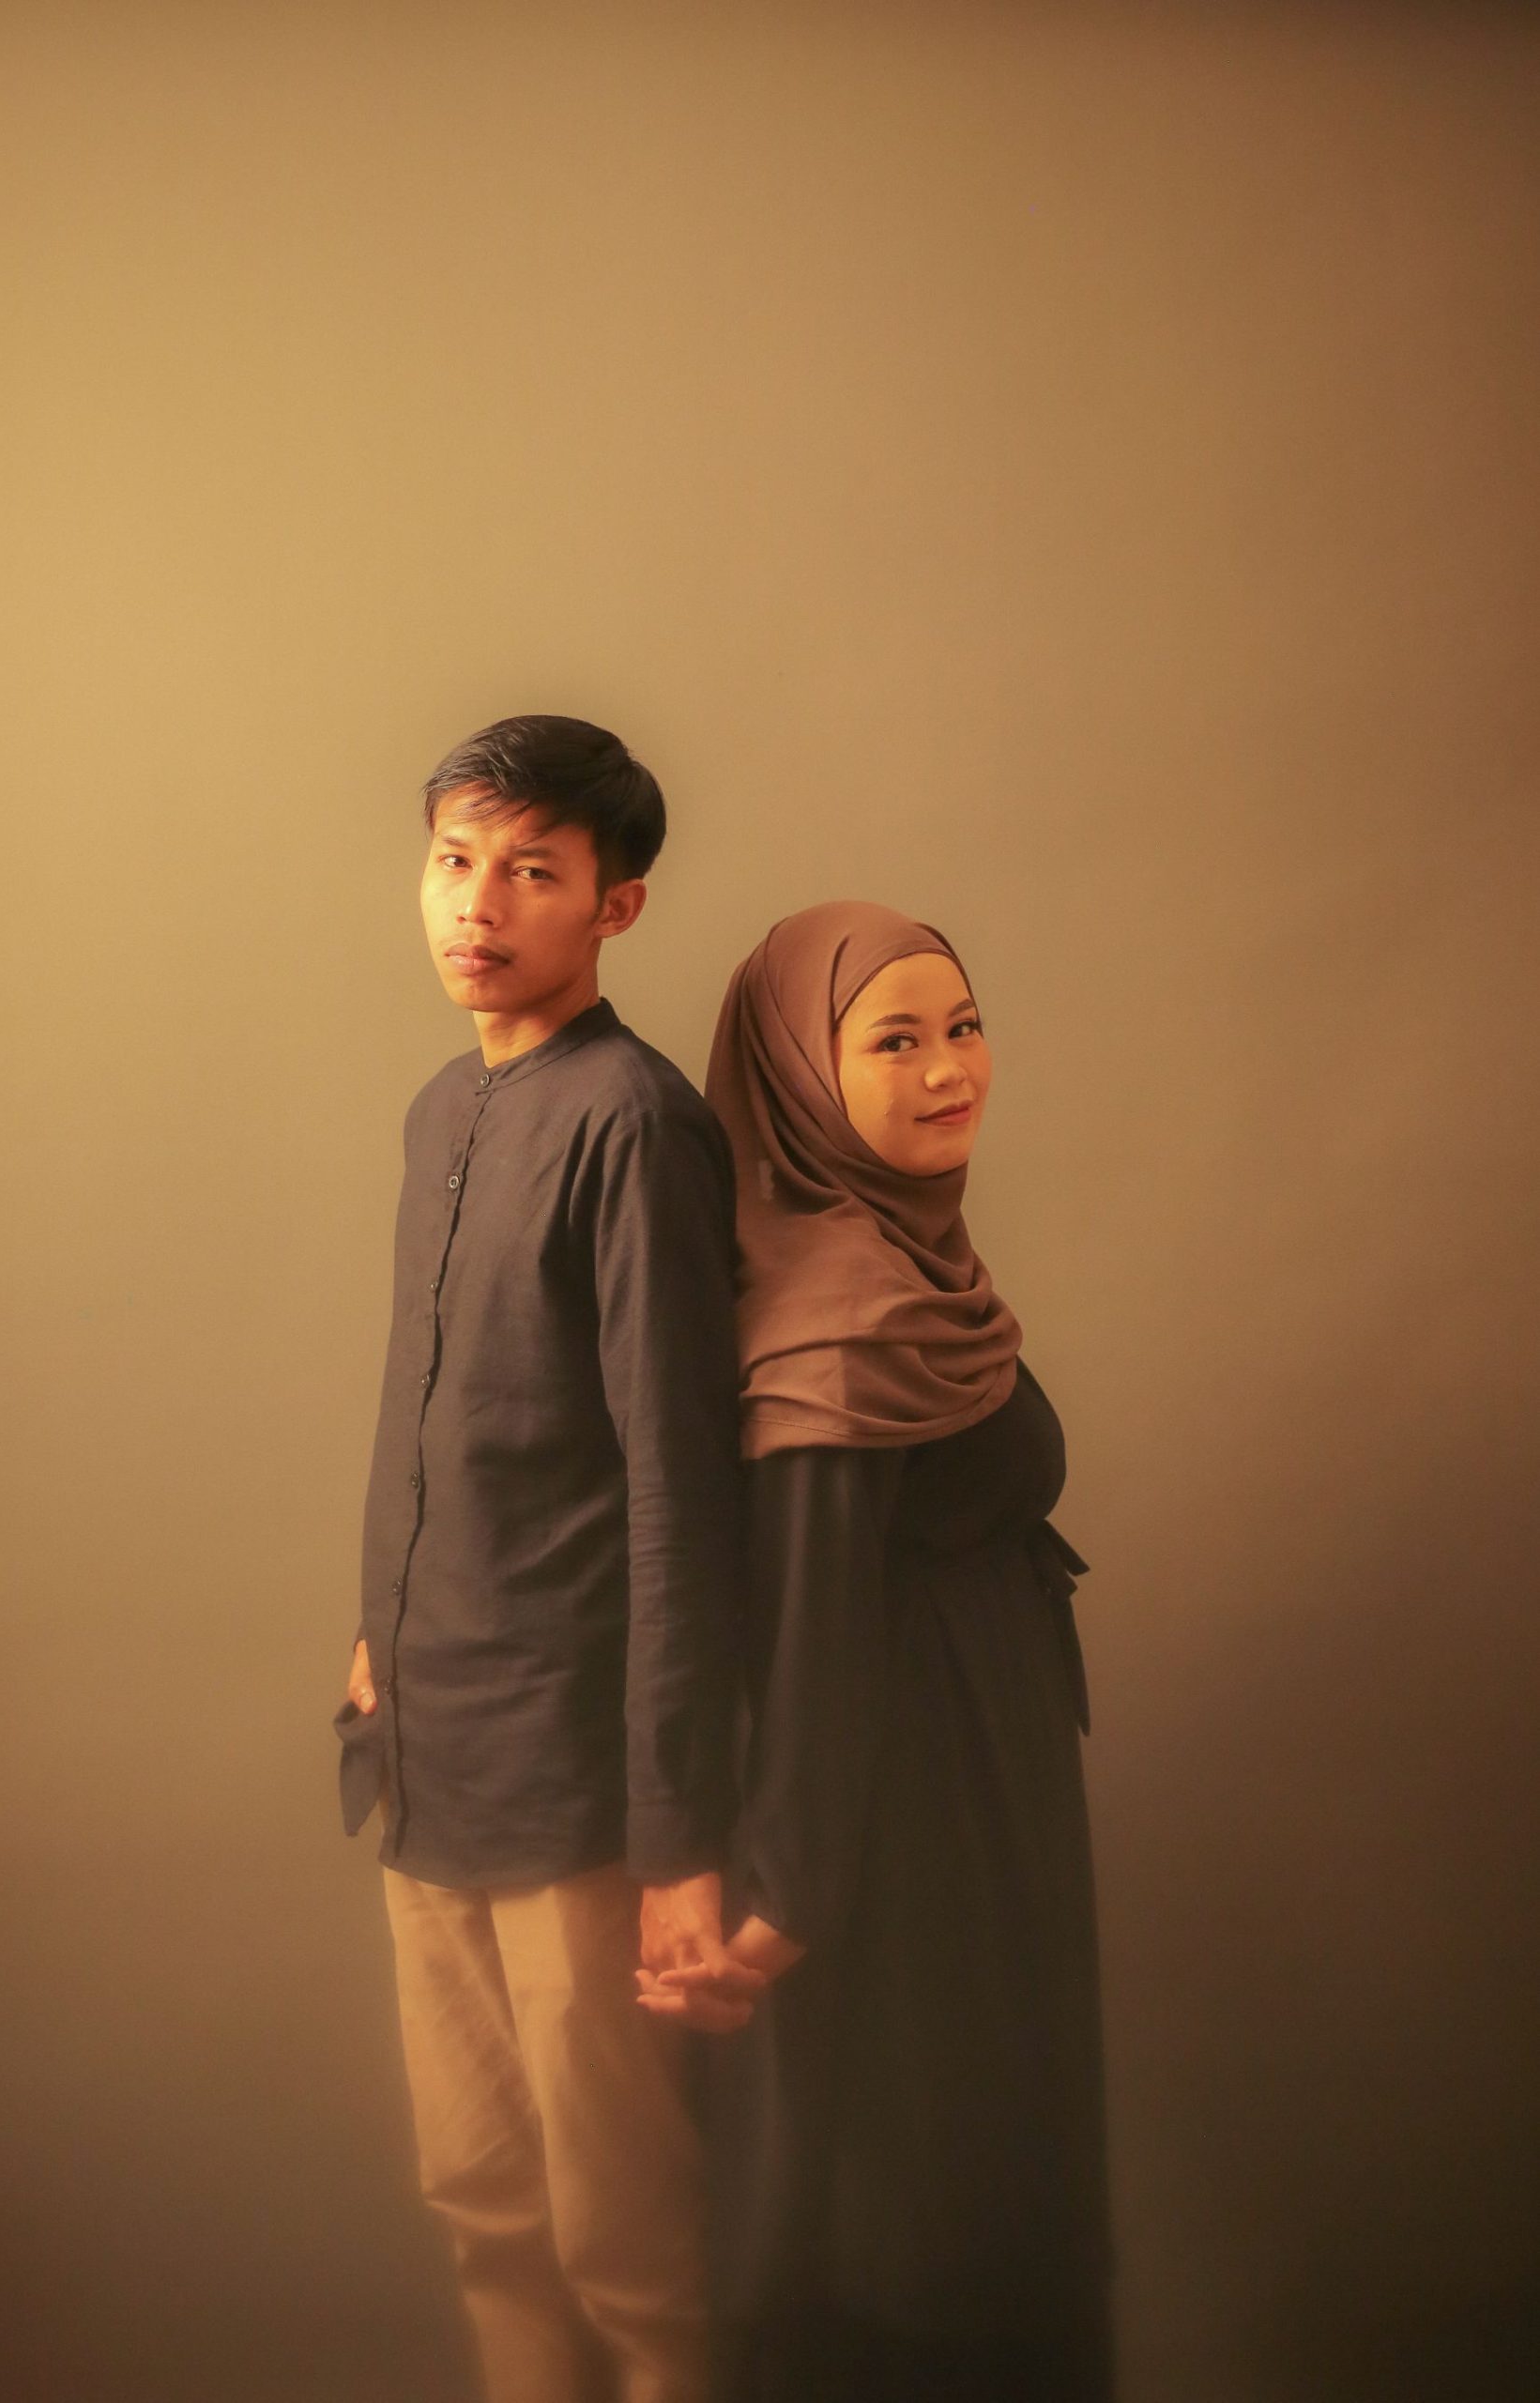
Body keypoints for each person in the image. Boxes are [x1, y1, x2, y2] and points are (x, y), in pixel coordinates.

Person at [638, 900, 1114, 2403]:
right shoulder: (838, 1312)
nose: (948, 1069)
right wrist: (785, 1899)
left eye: (963, 1027)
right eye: (894, 1040)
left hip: (969, 1786)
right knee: (924, 2215)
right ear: (799, 1073)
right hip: (906, 1831)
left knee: (984, 2185)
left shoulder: (904, 1260)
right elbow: (810, 1631)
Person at [335, 715, 747, 2403]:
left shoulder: (633, 1125)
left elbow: (680, 1493)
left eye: (531, 871)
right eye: (455, 861)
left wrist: (681, 1839)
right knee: (480, 2205)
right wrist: (381, 1631)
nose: (478, 904)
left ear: (614, 906)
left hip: (576, 1779)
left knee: (621, 2240)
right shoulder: (445, 1107)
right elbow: (444, 1415)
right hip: (427, 1746)